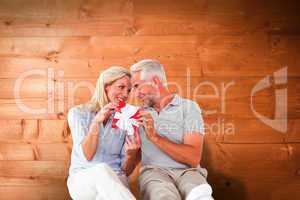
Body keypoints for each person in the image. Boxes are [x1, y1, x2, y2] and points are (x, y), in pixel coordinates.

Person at [130, 59, 214, 200]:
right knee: (163, 196)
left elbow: (192, 158)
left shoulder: (188, 107)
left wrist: (154, 137)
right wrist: (131, 153)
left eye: (138, 86)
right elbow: (129, 161)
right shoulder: (136, 114)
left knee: (200, 195)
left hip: (189, 172)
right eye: (133, 88)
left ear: (156, 81)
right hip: (154, 173)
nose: (135, 93)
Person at [67, 66, 140, 200]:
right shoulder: (78, 113)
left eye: (128, 90)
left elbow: (126, 171)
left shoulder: (127, 119)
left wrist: (131, 154)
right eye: (121, 87)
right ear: (106, 86)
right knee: (102, 170)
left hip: (117, 181)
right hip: (83, 181)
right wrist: (96, 122)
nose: (125, 94)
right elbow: (87, 155)